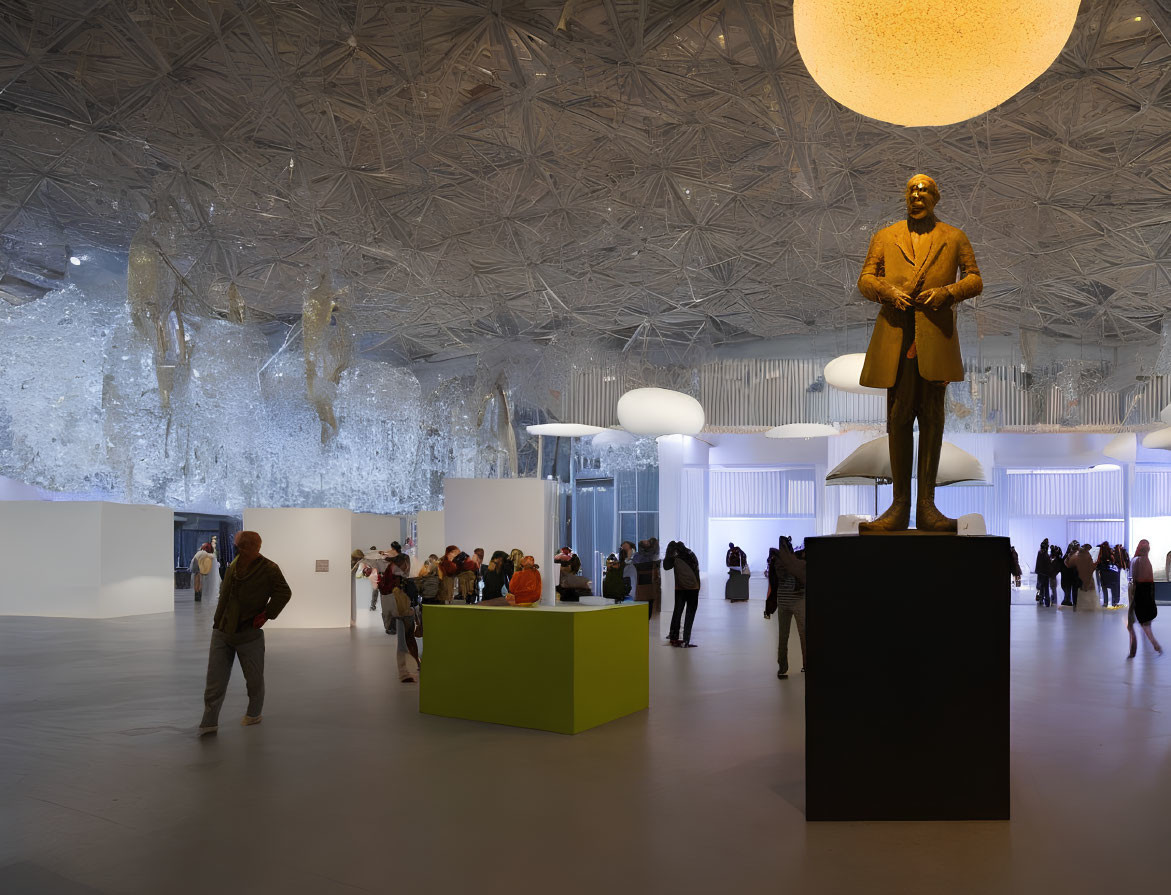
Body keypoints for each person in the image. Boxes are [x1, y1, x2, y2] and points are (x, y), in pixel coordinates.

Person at [856, 174, 983, 532]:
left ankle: (927, 507)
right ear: (905, 196)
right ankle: (899, 507)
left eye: (924, 190)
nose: (917, 195)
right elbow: (865, 279)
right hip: (895, 337)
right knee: (897, 418)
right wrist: (886, 291)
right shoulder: (885, 236)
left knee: (932, 420)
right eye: (912, 189)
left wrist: (948, 293)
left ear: (935, 198)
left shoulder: (954, 237)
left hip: (935, 340)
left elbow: (975, 278)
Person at [199, 531, 292, 735]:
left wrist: (267, 614)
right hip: (222, 630)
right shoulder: (235, 562)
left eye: (244, 545)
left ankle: (254, 713)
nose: (239, 548)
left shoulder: (269, 568)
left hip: (248, 632)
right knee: (214, 680)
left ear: (256, 546)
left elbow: (284, 592)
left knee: (254, 678)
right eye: (238, 545)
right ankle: (209, 721)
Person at [764, 536, 806, 679]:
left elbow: (774, 581)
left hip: (784, 601)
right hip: (797, 601)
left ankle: (782, 669)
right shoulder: (796, 561)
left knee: (784, 636)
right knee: (802, 635)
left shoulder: (779, 562)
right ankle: (803, 666)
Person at [388, 554, 421, 682]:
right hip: (402, 613)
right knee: (404, 641)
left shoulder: (400, 577)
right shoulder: (399, 578)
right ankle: (405, 672)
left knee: (408, 639)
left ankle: (414, 666)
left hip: (405, 613)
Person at [1127, 539, 1162, 658]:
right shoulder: (1148, 562)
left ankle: (1136, 648)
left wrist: (1131, 596)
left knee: (1132, 623)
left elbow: (1132, 581)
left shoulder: (1135, 560)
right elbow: (1151, 584)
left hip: (1138, 594)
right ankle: (1153, 643)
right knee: (1146, 622)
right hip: (1148, 595)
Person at [663, 540, 701, 648]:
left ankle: (673, 636)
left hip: (680, 588)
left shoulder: (674, 556)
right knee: (690, 613)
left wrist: (668, 554)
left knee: (677, 611)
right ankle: (686, 640)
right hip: (694, 588)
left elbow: (666, 567)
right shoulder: (690, 553)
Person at [632, 538, 662, 618]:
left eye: (648, 541)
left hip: (642, 585)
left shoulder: (638, 556)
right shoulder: (654, 556)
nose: (646, 540)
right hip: (649, 585)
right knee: (649, 604)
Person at [1067, 542, 1097, 610]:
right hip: (1084, 577)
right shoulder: (1087, 555)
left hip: (1077, 576)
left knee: (1077, 591)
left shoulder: (1076, 555)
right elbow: (1090, 566)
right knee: (1085, 590)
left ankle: (1077, 605)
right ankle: (1086, 606)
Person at [1096, 542, 1120, 608]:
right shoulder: (1111, 554)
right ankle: (1114, 602)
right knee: (1113, 588)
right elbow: (1114, 562)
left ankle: (1105, 602)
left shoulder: (1100, 555)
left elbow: (1098, 565)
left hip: (1104, 574)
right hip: (1112, 574)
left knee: (1104, 588)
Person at [1059, 541, 1080, 607]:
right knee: (1071, 590)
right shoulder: (1070, 556)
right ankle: (1070, 601)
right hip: (1070, 576)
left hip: (1070, 576)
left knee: (1070, 590)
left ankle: (1069, 601)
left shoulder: (1068, 556)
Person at [1035, 539, 1051, 606]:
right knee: (1046, 588)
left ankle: (1041, 600)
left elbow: (1038, 563)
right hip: (1045, 574)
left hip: (1040, 573)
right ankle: (1047, 602)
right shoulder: (1046, 555)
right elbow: (1048, 565)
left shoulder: (1039, 553)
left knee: (1040, 587)